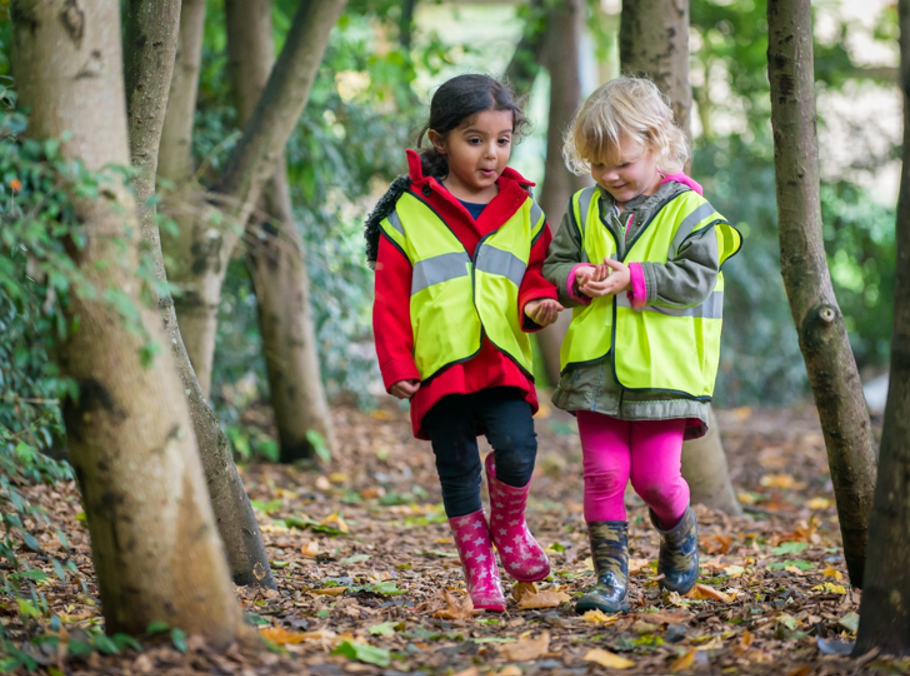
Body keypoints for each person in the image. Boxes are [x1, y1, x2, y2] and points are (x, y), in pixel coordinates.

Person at [542, 77, 742, 614]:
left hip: (663, 372)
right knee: (603, 474)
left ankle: (680, 533)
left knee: (655, 480)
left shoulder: (691, 213)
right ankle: (610, 581)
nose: (609, 176)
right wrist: (576, 280)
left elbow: (696, 277)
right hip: (594, 369)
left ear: (658, 145)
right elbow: (554, 266)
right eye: (597, 165)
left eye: (622, 164)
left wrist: (632, 277)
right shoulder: (585, 208)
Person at [365, 74, 564, 612]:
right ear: (440, 140)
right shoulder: (407, 215)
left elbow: (536, 275)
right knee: (457, 470)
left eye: (502, 140)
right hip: (440, 365)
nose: (491, 153)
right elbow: (389, 298)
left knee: (519, 449)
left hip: (501, 360)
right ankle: (480, 572)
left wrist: (537, 304)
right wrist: (397, 364)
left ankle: (511, 530)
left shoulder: (524, 210)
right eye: (474, 140)